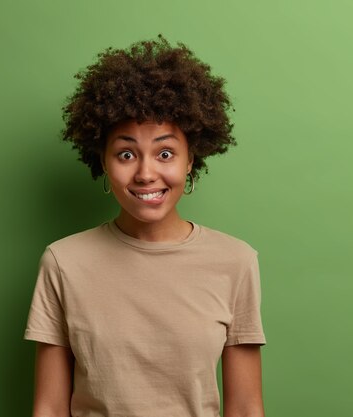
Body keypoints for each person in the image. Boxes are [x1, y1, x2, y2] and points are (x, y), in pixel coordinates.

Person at [24, 34, 267, 417]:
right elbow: (49, 408)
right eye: (126, 153)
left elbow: (246, 407)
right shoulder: (63, 262)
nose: (146, 173)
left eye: (165, 152)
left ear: (191, 160)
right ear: (103, 161)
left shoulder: (235, 261)